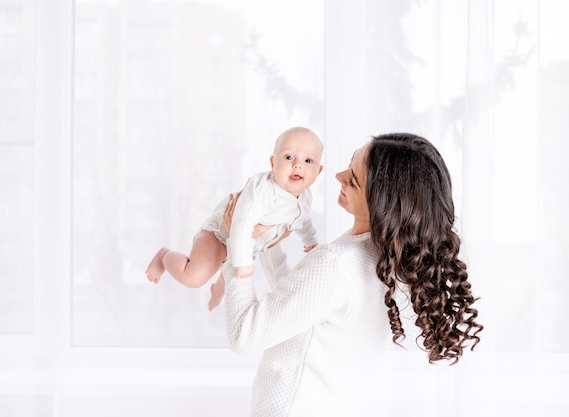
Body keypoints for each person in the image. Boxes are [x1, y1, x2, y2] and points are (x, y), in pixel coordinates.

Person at [222, 132, 483, 416]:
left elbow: (244, 336)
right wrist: (266, 244)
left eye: (353, 179)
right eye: (350, 165)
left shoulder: (337, 264)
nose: (338, 175)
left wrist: (237, 246)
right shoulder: (384, 262)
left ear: (382, 202)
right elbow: (298, 306)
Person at [145, 126, 324, 311]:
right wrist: (243, 262)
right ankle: (163, 257)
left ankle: (216, 291)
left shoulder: (305, 197)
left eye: (308, 160)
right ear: (272, 162)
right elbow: (241, 223)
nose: (298, 165)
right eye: (288, 157)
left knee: (228, 280)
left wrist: (310, 240)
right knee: (195, 277)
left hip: (248, 245)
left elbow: (303, 219)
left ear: (318, 171)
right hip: (220, 236)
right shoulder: (262, 189)